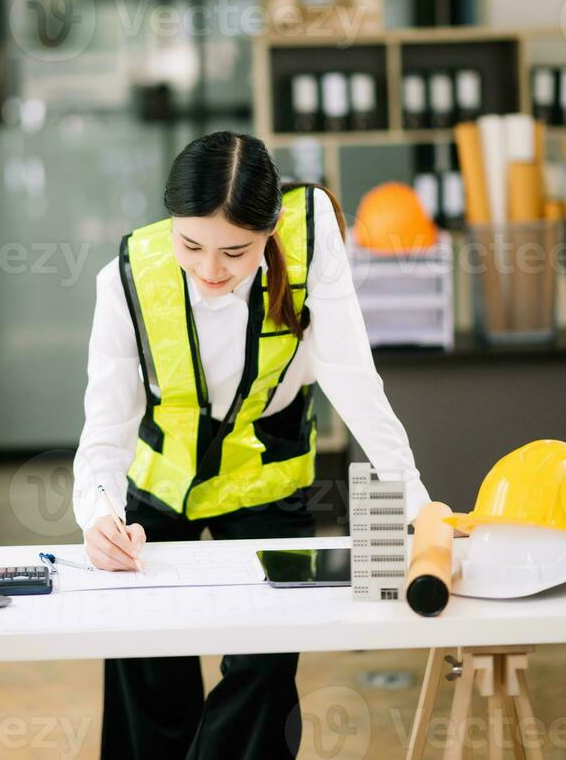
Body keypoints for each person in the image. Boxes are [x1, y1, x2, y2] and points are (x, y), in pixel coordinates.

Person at [72, 130, 431, 760]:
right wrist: (100, 514)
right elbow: (106, 426)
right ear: (171, 222)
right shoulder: (126, 277)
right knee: (146, 669)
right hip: (163, 489)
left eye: (236, 252)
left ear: (269, 231)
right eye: (191, 245)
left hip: (271, 488)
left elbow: (353, 376)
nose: (212, 270)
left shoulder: (311, 235)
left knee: (263, 672)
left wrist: (416, 504)